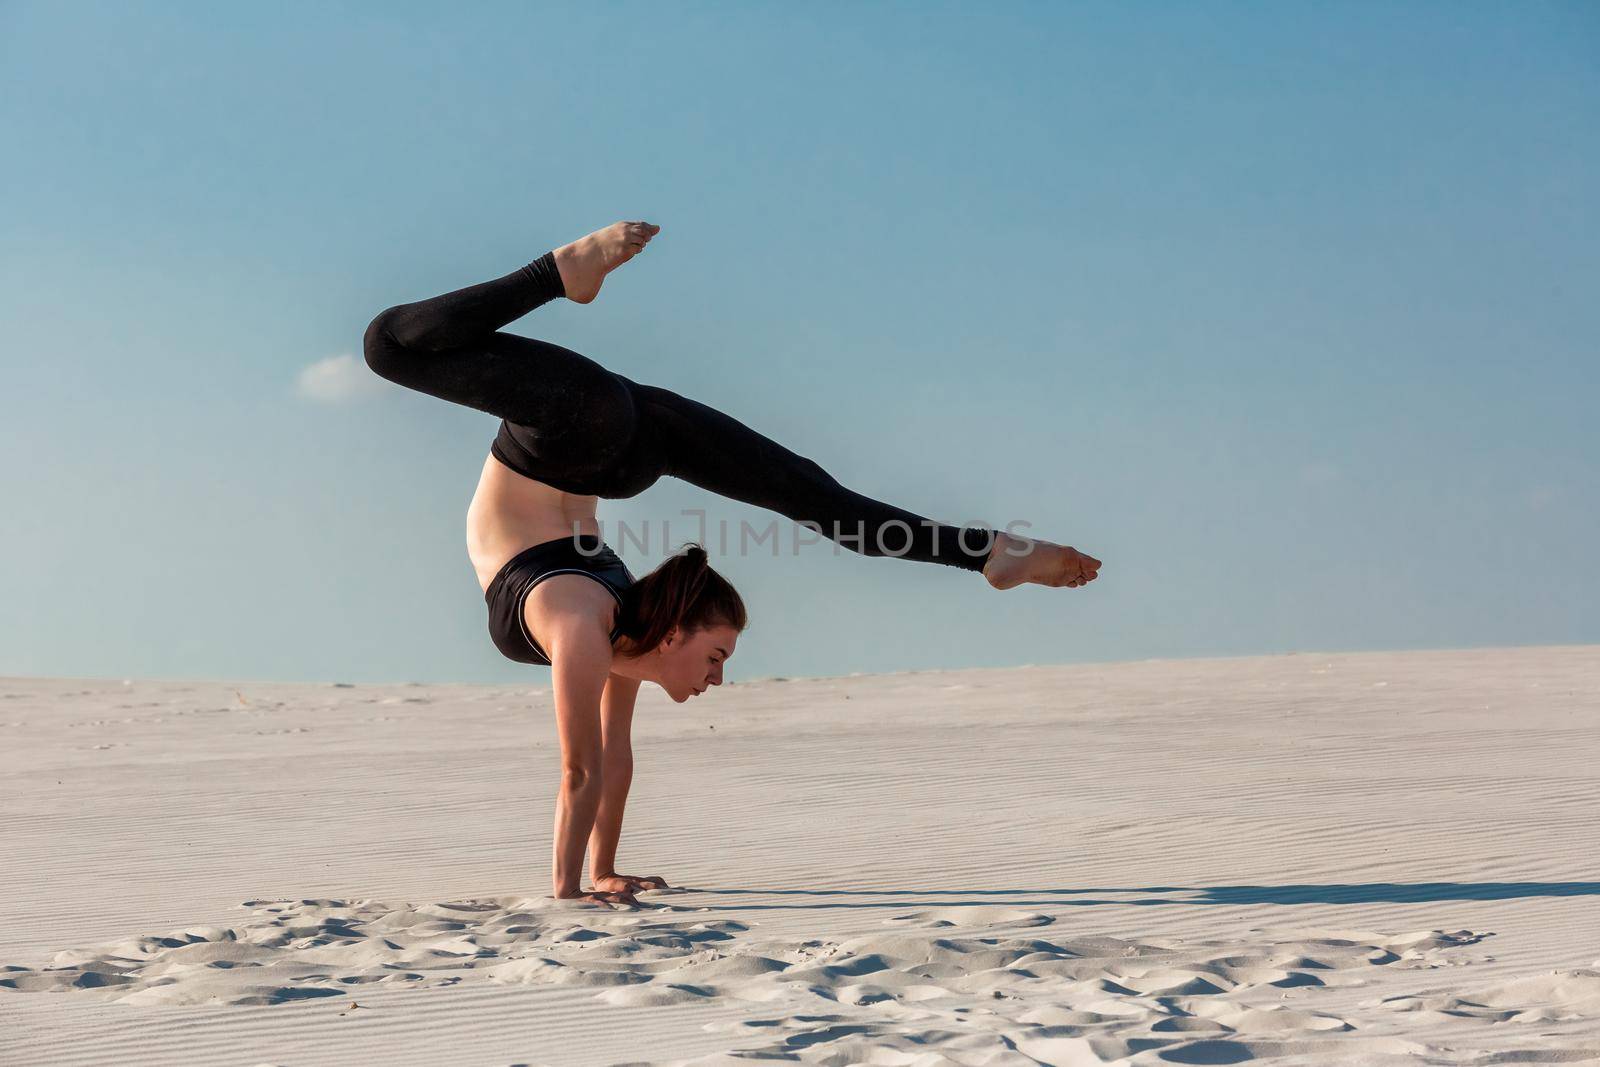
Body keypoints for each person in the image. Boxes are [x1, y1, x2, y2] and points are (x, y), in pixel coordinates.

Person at [363, 221, 1102, 906]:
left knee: (387, 344)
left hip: (580, 425)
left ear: (674, 632)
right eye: (720, 658)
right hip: (621, 428)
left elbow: (587, 768)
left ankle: (560, 275)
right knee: (816, 498)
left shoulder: (586, 627)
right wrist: (598, 871)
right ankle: (988, 554)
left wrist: (576, 888)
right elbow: (607, 762)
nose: (716, 676)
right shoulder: (616, 626)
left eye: (714, 658)